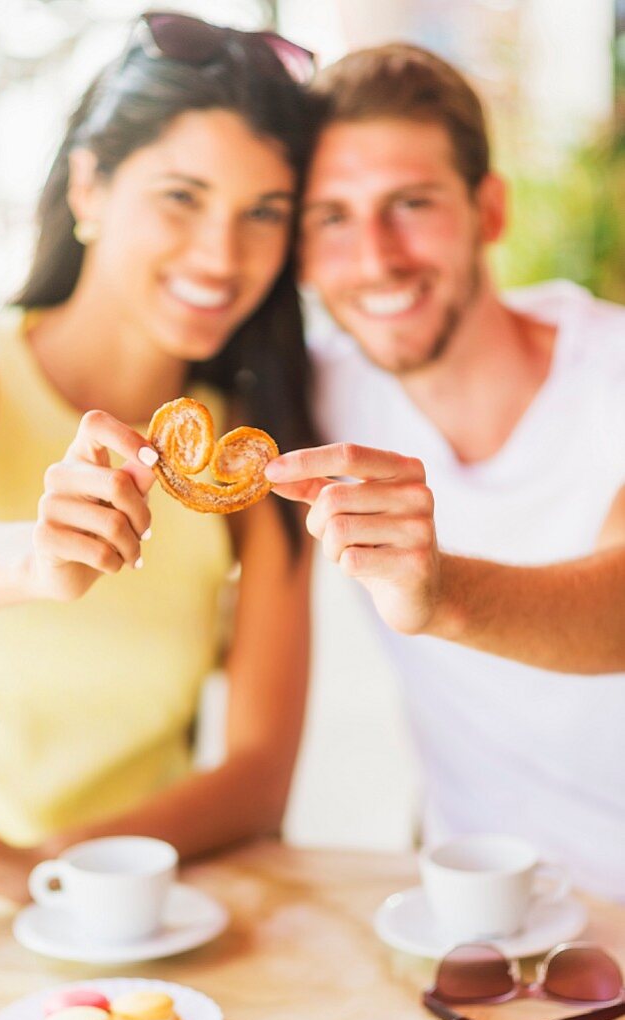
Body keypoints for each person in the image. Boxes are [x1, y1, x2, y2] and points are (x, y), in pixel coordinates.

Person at [0, 12, 317, 903]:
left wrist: (50, 866)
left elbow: (260, 778)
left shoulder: (257, 457)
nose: (223, 257)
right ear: (89, 188)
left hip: (131, 924)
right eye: (181, 196)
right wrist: (30, 559)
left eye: (263, 213)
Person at [266, 44, 625, 897]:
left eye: (411, 203)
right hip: (470, 907)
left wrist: (441, 593)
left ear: (487, 210)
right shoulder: (319, 390)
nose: (377, 258)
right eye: (332, 218)